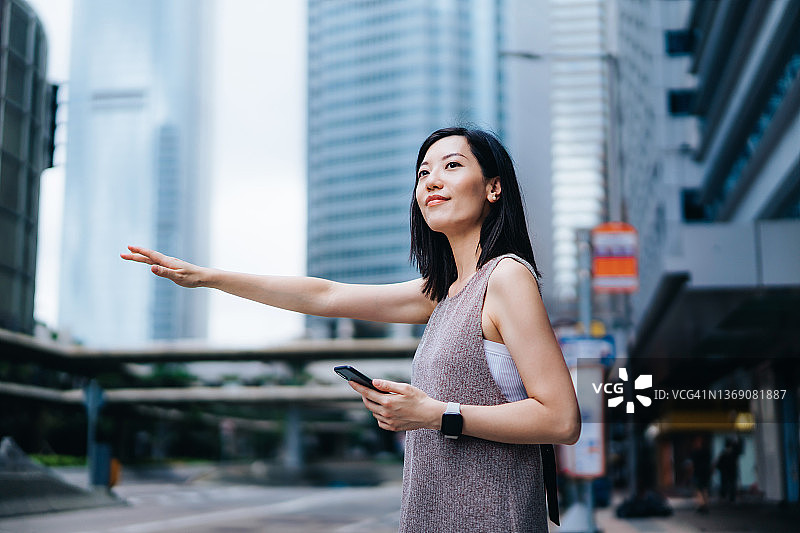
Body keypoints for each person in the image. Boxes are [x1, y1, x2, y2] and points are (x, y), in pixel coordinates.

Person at [122, 127, 581, 532]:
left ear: (493, 188)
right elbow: (324, 296)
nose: (432, 181)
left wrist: (436, 413)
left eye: (452, 166)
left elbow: (560, 419)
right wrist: (207, 278)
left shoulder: (505, 277)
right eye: (423, 173)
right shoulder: (445, 294)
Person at [690, 435, 711, 513]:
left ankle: (702, 504)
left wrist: (691, 473)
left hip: (698, 472)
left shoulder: (695, 452)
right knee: (704, 489)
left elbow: (692, 465)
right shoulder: (706, 451)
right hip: (705, 472)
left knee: (698, 489)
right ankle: (705, 504)